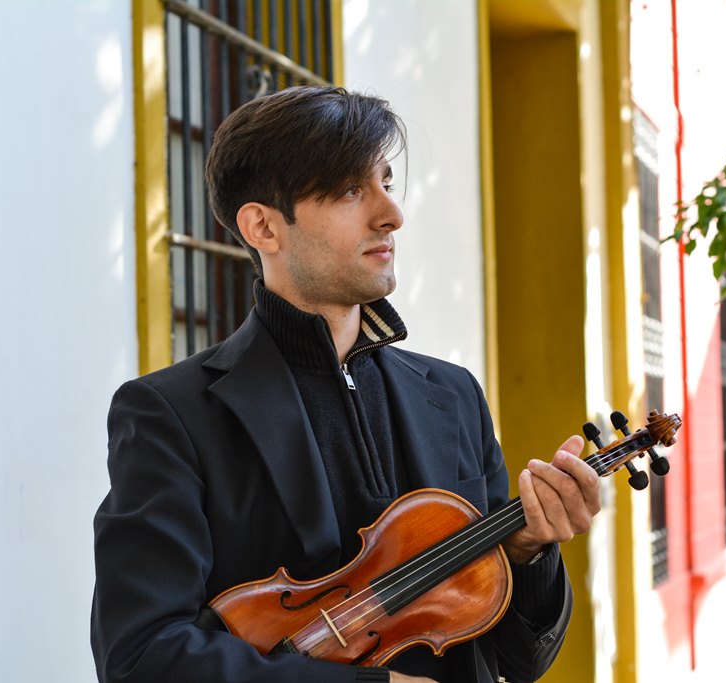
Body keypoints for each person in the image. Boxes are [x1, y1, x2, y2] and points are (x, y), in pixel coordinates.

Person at [91, 85, 601, 683]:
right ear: (263, 227)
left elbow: (520, 660)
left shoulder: (454, 396)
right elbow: (141, 658)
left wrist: (527, 552)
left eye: (385, 181)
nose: (391, 213)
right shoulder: (171, 415)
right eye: (352, 190)